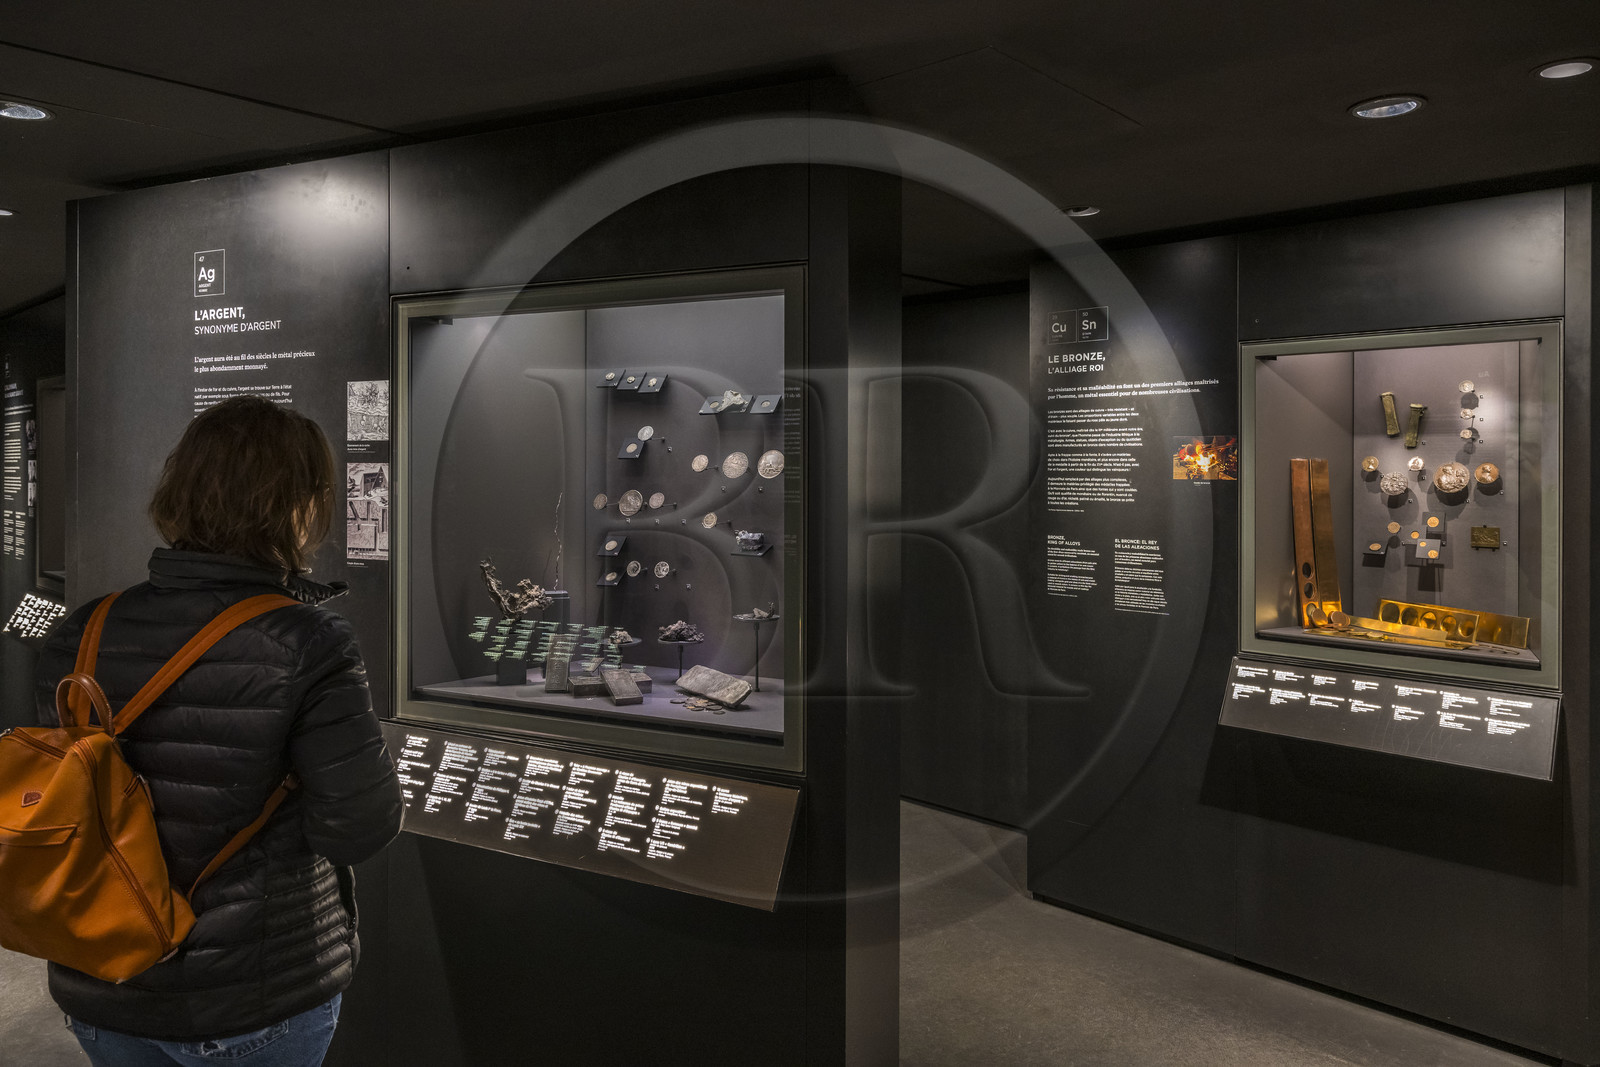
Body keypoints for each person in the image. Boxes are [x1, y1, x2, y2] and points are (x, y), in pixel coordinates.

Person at [33, 395, 403, 1066]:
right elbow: (360, 824)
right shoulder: (309, 641)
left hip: (102, 979)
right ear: (296, 505)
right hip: (249, 995)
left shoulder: (81, 630)